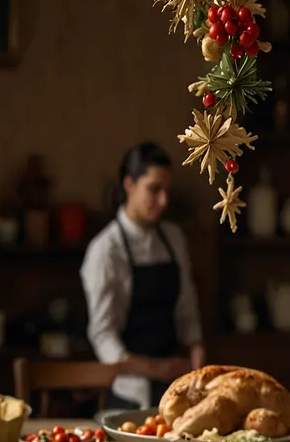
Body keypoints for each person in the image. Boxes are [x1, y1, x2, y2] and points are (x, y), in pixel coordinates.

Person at [81, 142, 205, 409]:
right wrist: (155, 369)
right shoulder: (105, 250)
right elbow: (102, 336)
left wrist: (197, 357)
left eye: (166, 191)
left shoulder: (173, 238)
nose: (164, 201)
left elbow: (187, 310)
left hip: (179, 386)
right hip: (129, 392)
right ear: (129, 184)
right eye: (154, 189)